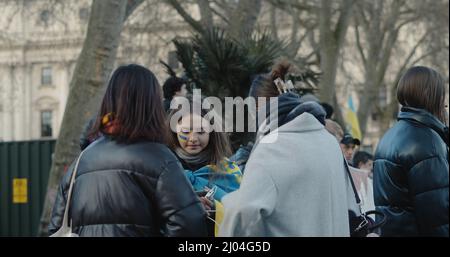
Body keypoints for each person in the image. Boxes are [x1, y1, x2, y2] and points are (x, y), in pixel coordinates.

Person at [49, 64, 207, 237]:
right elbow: (189, 226)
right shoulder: (160, 159)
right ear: (152, 104)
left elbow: (57, 228)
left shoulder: (80, 162)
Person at [219, 60, 351, 236]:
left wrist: (220, 202)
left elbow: (241, 212)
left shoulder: (271, 150)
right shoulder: (329, 142)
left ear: (255, 110)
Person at [374, 66, 449, 237]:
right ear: (432, 96)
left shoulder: (390, 135)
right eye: (441, 95)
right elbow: (436, 218)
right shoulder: (426, 141)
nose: (444, 103)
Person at [167, 96, 243, 236]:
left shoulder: (228, 170)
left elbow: (244, 216)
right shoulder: (164, 168)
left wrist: (215, 209)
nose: (193, 138)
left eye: (201, 132)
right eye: (185, 132)